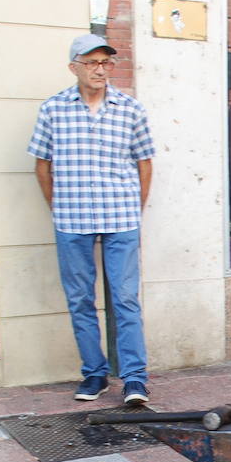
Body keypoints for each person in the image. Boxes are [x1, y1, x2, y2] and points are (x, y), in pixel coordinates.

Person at [28, 34, 155, 404]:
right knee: (81, 299)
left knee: (125, 299)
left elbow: (145, 164)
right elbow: (42, 166)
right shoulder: (53, 110)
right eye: (92, 63)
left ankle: (134, 378)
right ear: (74, 68)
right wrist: (59, 207)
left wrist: (135, 208)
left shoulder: (131, 109)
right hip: (72, 219)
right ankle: (94, 373)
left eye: (106, 63)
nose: (100, 70)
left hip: (121, 218)